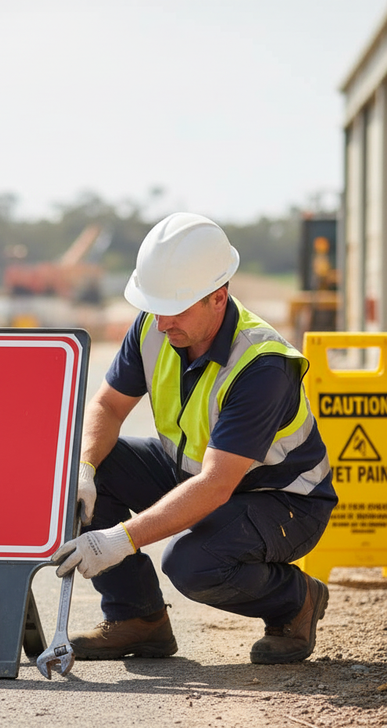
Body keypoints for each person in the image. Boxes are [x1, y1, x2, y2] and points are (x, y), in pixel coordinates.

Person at [52, 212, 337, 665]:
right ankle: (138, 620)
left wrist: (118, 540)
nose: (162, 323)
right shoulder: (153, 325)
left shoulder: (262, 364)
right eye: (156, 306)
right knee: (82, 468)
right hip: (195, 472)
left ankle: (295, 600)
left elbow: (216, 485)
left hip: (283, 500)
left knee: (191, 563)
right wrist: (85, 468)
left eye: (175, 308)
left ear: (218, 297)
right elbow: (106, 407)